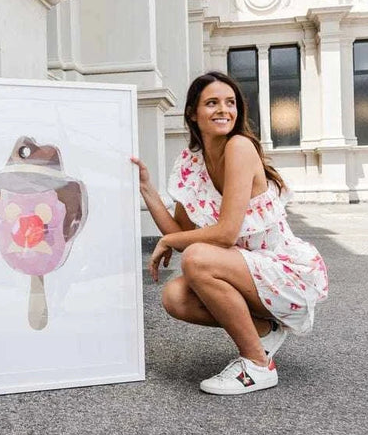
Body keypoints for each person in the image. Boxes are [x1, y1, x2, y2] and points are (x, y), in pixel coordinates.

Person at [131, 71, 328, 395]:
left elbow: (223, 234)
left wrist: (169, 241)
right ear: (194, 113)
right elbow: (182, 233)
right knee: (175, 296)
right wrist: (146, 189)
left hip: (283, 273)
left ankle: (257, 365)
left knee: (197, 257)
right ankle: (264, 330)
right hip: (245, 270)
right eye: (212, 103)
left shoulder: (240, 147)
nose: (223, 110)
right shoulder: (190, 164)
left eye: (230, 102)